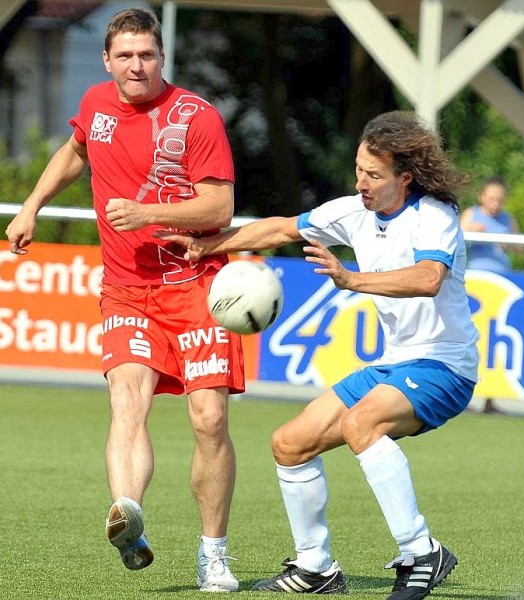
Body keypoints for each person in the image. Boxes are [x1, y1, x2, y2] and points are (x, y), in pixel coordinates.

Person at [157, 110, 479, 599]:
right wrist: (208, 246)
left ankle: (421, 550)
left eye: (374, 174)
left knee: (359, 425)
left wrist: (351, 279)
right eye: (358, 169)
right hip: (394, 363)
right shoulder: (353, 212)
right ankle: (316, 567)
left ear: (405, 178)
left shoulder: (434, 215)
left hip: (445, 364)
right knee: (290, 443)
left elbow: (428, 279)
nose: (361, 182)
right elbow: (280, 229)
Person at [5, 8, 243, 591]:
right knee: (127, 400)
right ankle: (128, 514)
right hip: (126, 289)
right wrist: (31, 205)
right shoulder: (95, 105)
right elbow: (74, 151)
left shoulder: (196, 117)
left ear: (162, 58)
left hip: (198, 286)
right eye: (126, 56)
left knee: (209, 420)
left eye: (148, 55)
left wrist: (148, 213)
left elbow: (219, 209)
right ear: (108, 61)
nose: (138, 65)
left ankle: (213, 553)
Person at [459, 175, 522, 273]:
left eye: (500, 200)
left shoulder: (509, 219)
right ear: (481, 197)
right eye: (491, 199)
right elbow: (456, 241)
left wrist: (509, 243)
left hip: (503, 274)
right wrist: (471, 231)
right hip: (477, 273)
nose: (496, 204)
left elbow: (520, 250)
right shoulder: (471, 214)